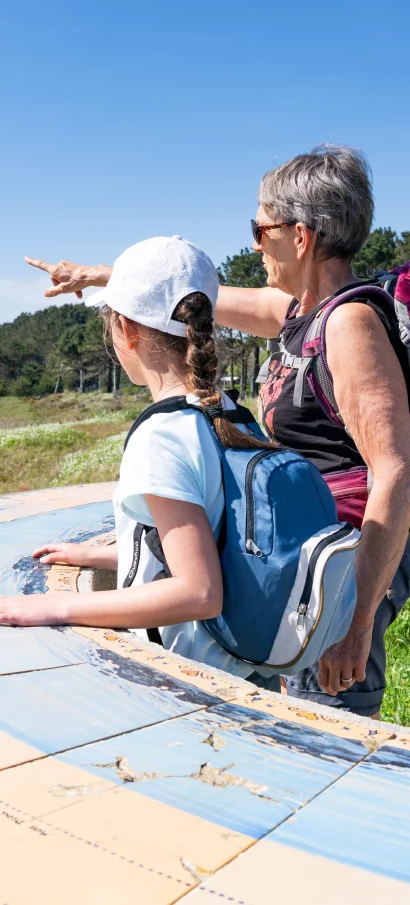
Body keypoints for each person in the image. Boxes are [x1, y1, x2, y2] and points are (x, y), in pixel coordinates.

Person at [25, 145, 410, 719]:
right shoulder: (299, 312)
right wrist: (105, 277)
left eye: (260, 228)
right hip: (300, 556)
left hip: (337, 573)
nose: (255, 244)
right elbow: (198, 302)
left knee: (324, 742)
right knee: (292, 716)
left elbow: (396, 471)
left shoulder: (349, 323)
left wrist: (355, 623)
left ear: (300, 237)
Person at [0, 236, 280, 690]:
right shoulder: (228, 410)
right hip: (244, 666)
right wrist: (102, 555)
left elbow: (199, 592)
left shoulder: (163, 435)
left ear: (126, 331)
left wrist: (53, 607)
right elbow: (206, 540)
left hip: (192, 684)